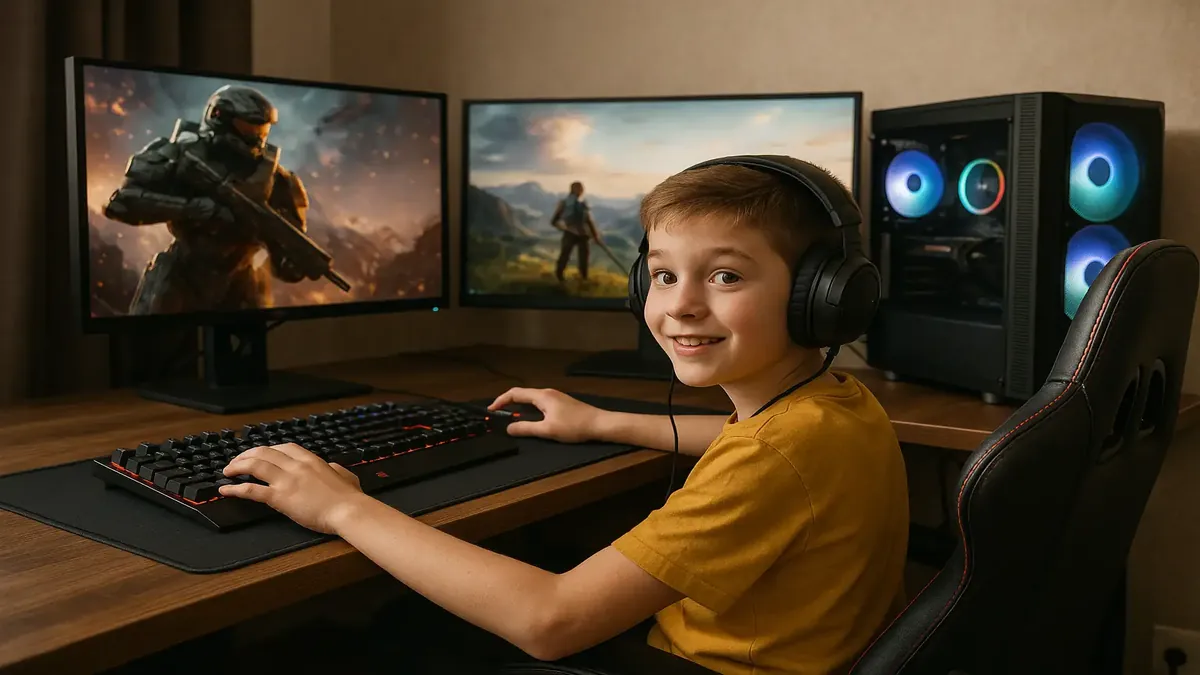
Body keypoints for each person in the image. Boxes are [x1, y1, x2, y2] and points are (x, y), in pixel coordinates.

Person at [217, 157, 910, 674]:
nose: (679, 305)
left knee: (396, 637)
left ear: (821, 296)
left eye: (725, 276)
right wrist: (603, 421)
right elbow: (752, 444)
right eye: (663, 275)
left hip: (694, 664)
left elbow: (548, 621)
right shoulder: (835, 406)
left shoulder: (771, 456)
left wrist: (343, 508)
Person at [102, 84, 315, 315]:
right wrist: (190, 209)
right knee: (148, 345)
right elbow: (121, 203)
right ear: (219, 117)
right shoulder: (179, 154)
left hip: (240, 281)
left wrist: (288, 260)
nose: (255, 137)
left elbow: (289, 260)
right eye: (247, 127)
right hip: (181, 273)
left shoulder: (278, 180)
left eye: (260, 129)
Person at [550, 181, 600, 283]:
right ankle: (559, 276)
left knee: (583, 258)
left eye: (582, 188)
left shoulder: (582, 204)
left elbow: (589, 221)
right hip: (571, 233)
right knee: (565, 255)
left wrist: (595, 235)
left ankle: (583, 277)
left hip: (583, 234)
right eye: (580, 188)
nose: (582, 190)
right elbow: (554, 221)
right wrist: (564, 228)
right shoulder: (564, 203)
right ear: (573, 189)